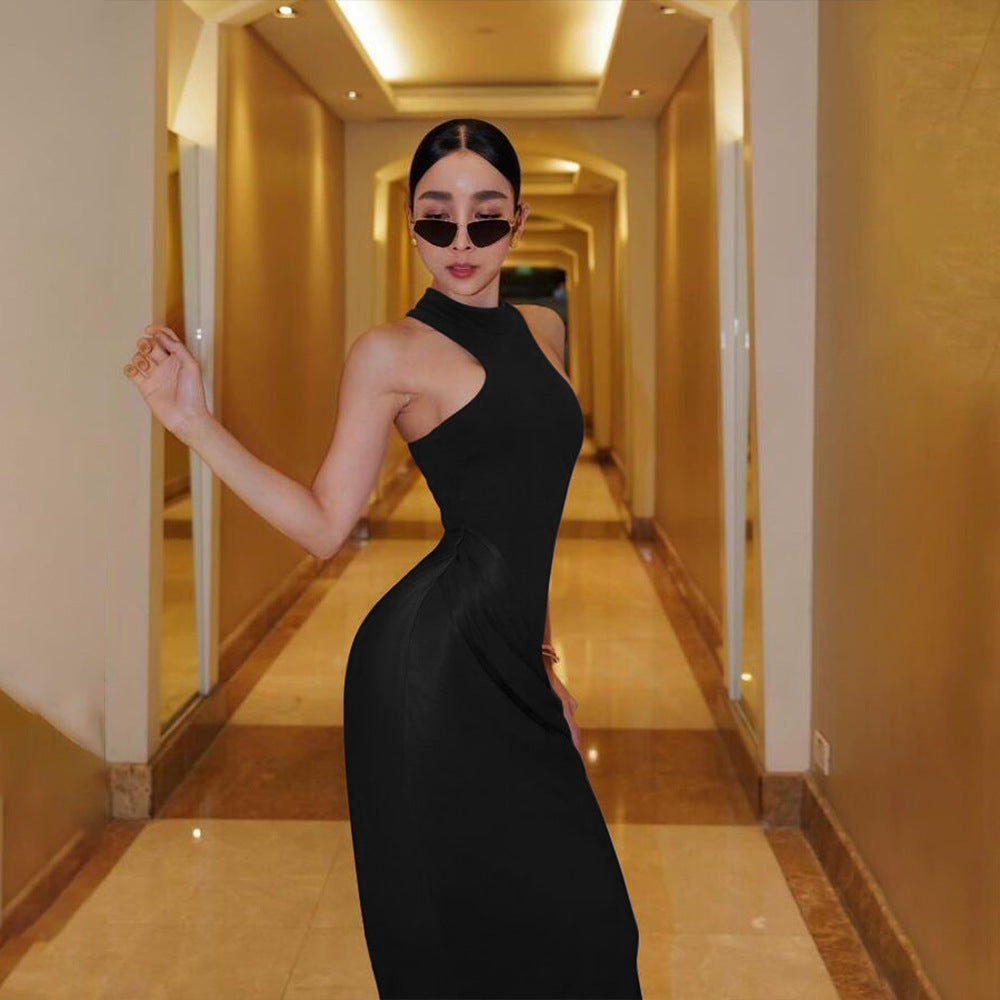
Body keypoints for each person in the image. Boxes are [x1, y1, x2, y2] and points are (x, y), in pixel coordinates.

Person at [124, 117, 641, 999]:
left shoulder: (543, 331)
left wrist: (544, 658)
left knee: (593, 923)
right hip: (428, 667)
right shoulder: (390, 353)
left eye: (486, 215)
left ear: (518, 219)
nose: (462, 241)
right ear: (411, 224)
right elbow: (326, 524)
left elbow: (528, 517)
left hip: (511, 654)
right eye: (437, 217)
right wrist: (191, 423)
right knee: (457, 930)